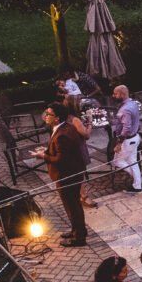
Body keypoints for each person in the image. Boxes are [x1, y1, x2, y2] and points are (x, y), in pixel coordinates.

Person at [32, 102, 87, 247]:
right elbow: (61, 152)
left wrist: (43, 156)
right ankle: (77, 230)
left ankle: (79, 237)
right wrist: (48, 150)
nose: (46, 116)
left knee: (72, 206)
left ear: (56, 118)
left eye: (49, 114)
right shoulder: (64, 128)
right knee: (73, 205)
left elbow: (60, 159)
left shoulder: (62, 134)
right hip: (71, 172)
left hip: (67, 175)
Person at [111, 85, 142, 194]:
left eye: (115, 94)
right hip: (134, 138)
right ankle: (137, 185)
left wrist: (119, 143)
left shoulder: (125, 109)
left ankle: (138, 177)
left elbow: (126, 128)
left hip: (128, 140)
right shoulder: (133, 103)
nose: (113, 96)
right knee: (132, 161)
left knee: (117, 161)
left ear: (122, 94)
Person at [67, 102, 97, 208]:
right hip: (77, 148)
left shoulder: (63, 118)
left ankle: (79, 195)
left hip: (68, 147)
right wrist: (89, 123)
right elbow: (86, 135)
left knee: (75, 172)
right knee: (80, 172)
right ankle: (83, 196)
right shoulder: (74, 119)